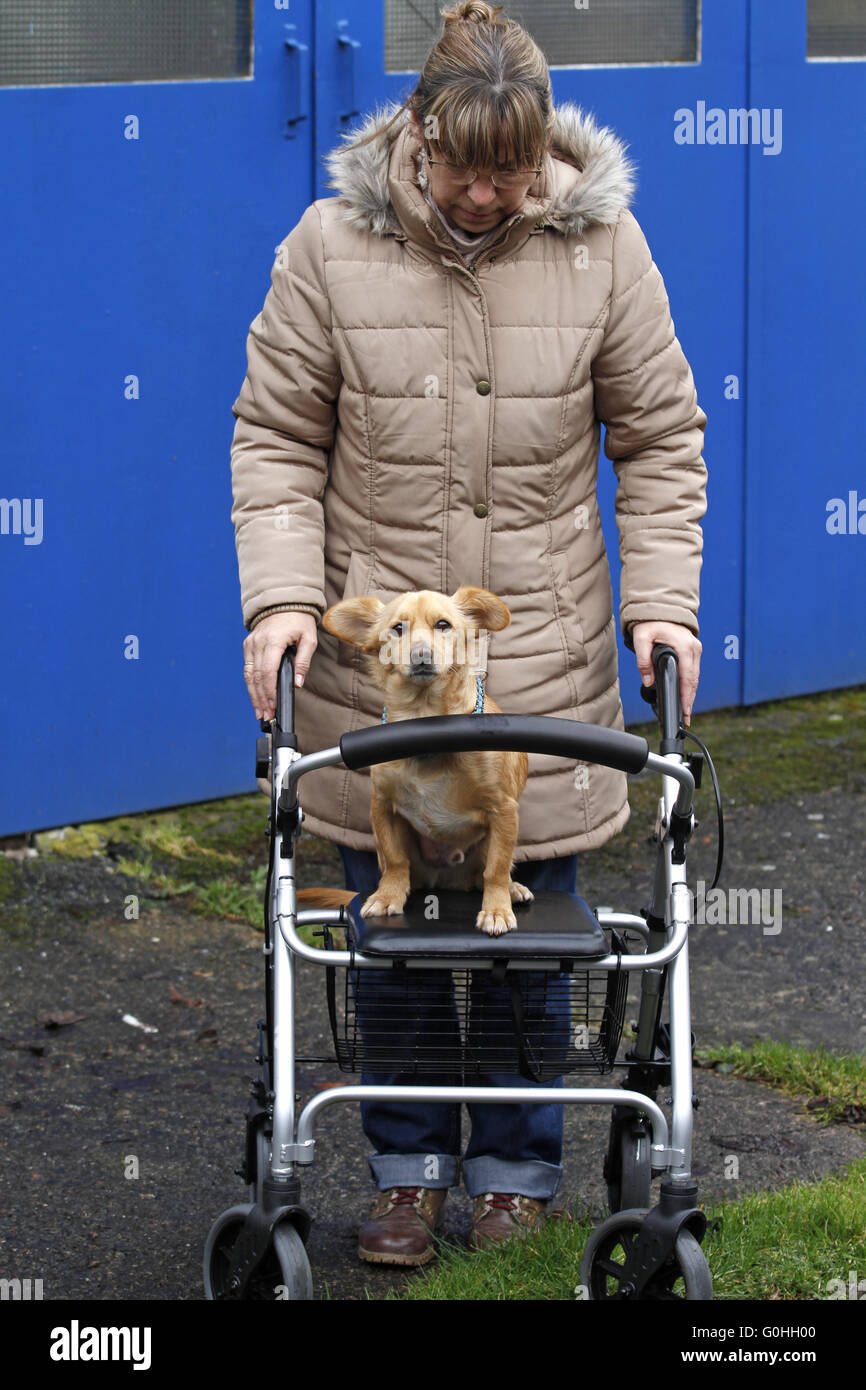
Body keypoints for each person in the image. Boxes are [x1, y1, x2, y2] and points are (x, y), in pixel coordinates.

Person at [230, 0, 706, 1266]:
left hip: (535, 659)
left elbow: (659, 440)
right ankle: (404, 1172)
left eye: (515, 169)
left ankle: (511, 1170)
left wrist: (663, 602)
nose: (490, 193)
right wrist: (280, 599)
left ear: (545, 150)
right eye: (465, 166)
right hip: (377, 675)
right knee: (390, 940)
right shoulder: (330, 246)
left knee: (528, 927)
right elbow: (275, 435)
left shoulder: (606, 249)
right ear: (420, 138)